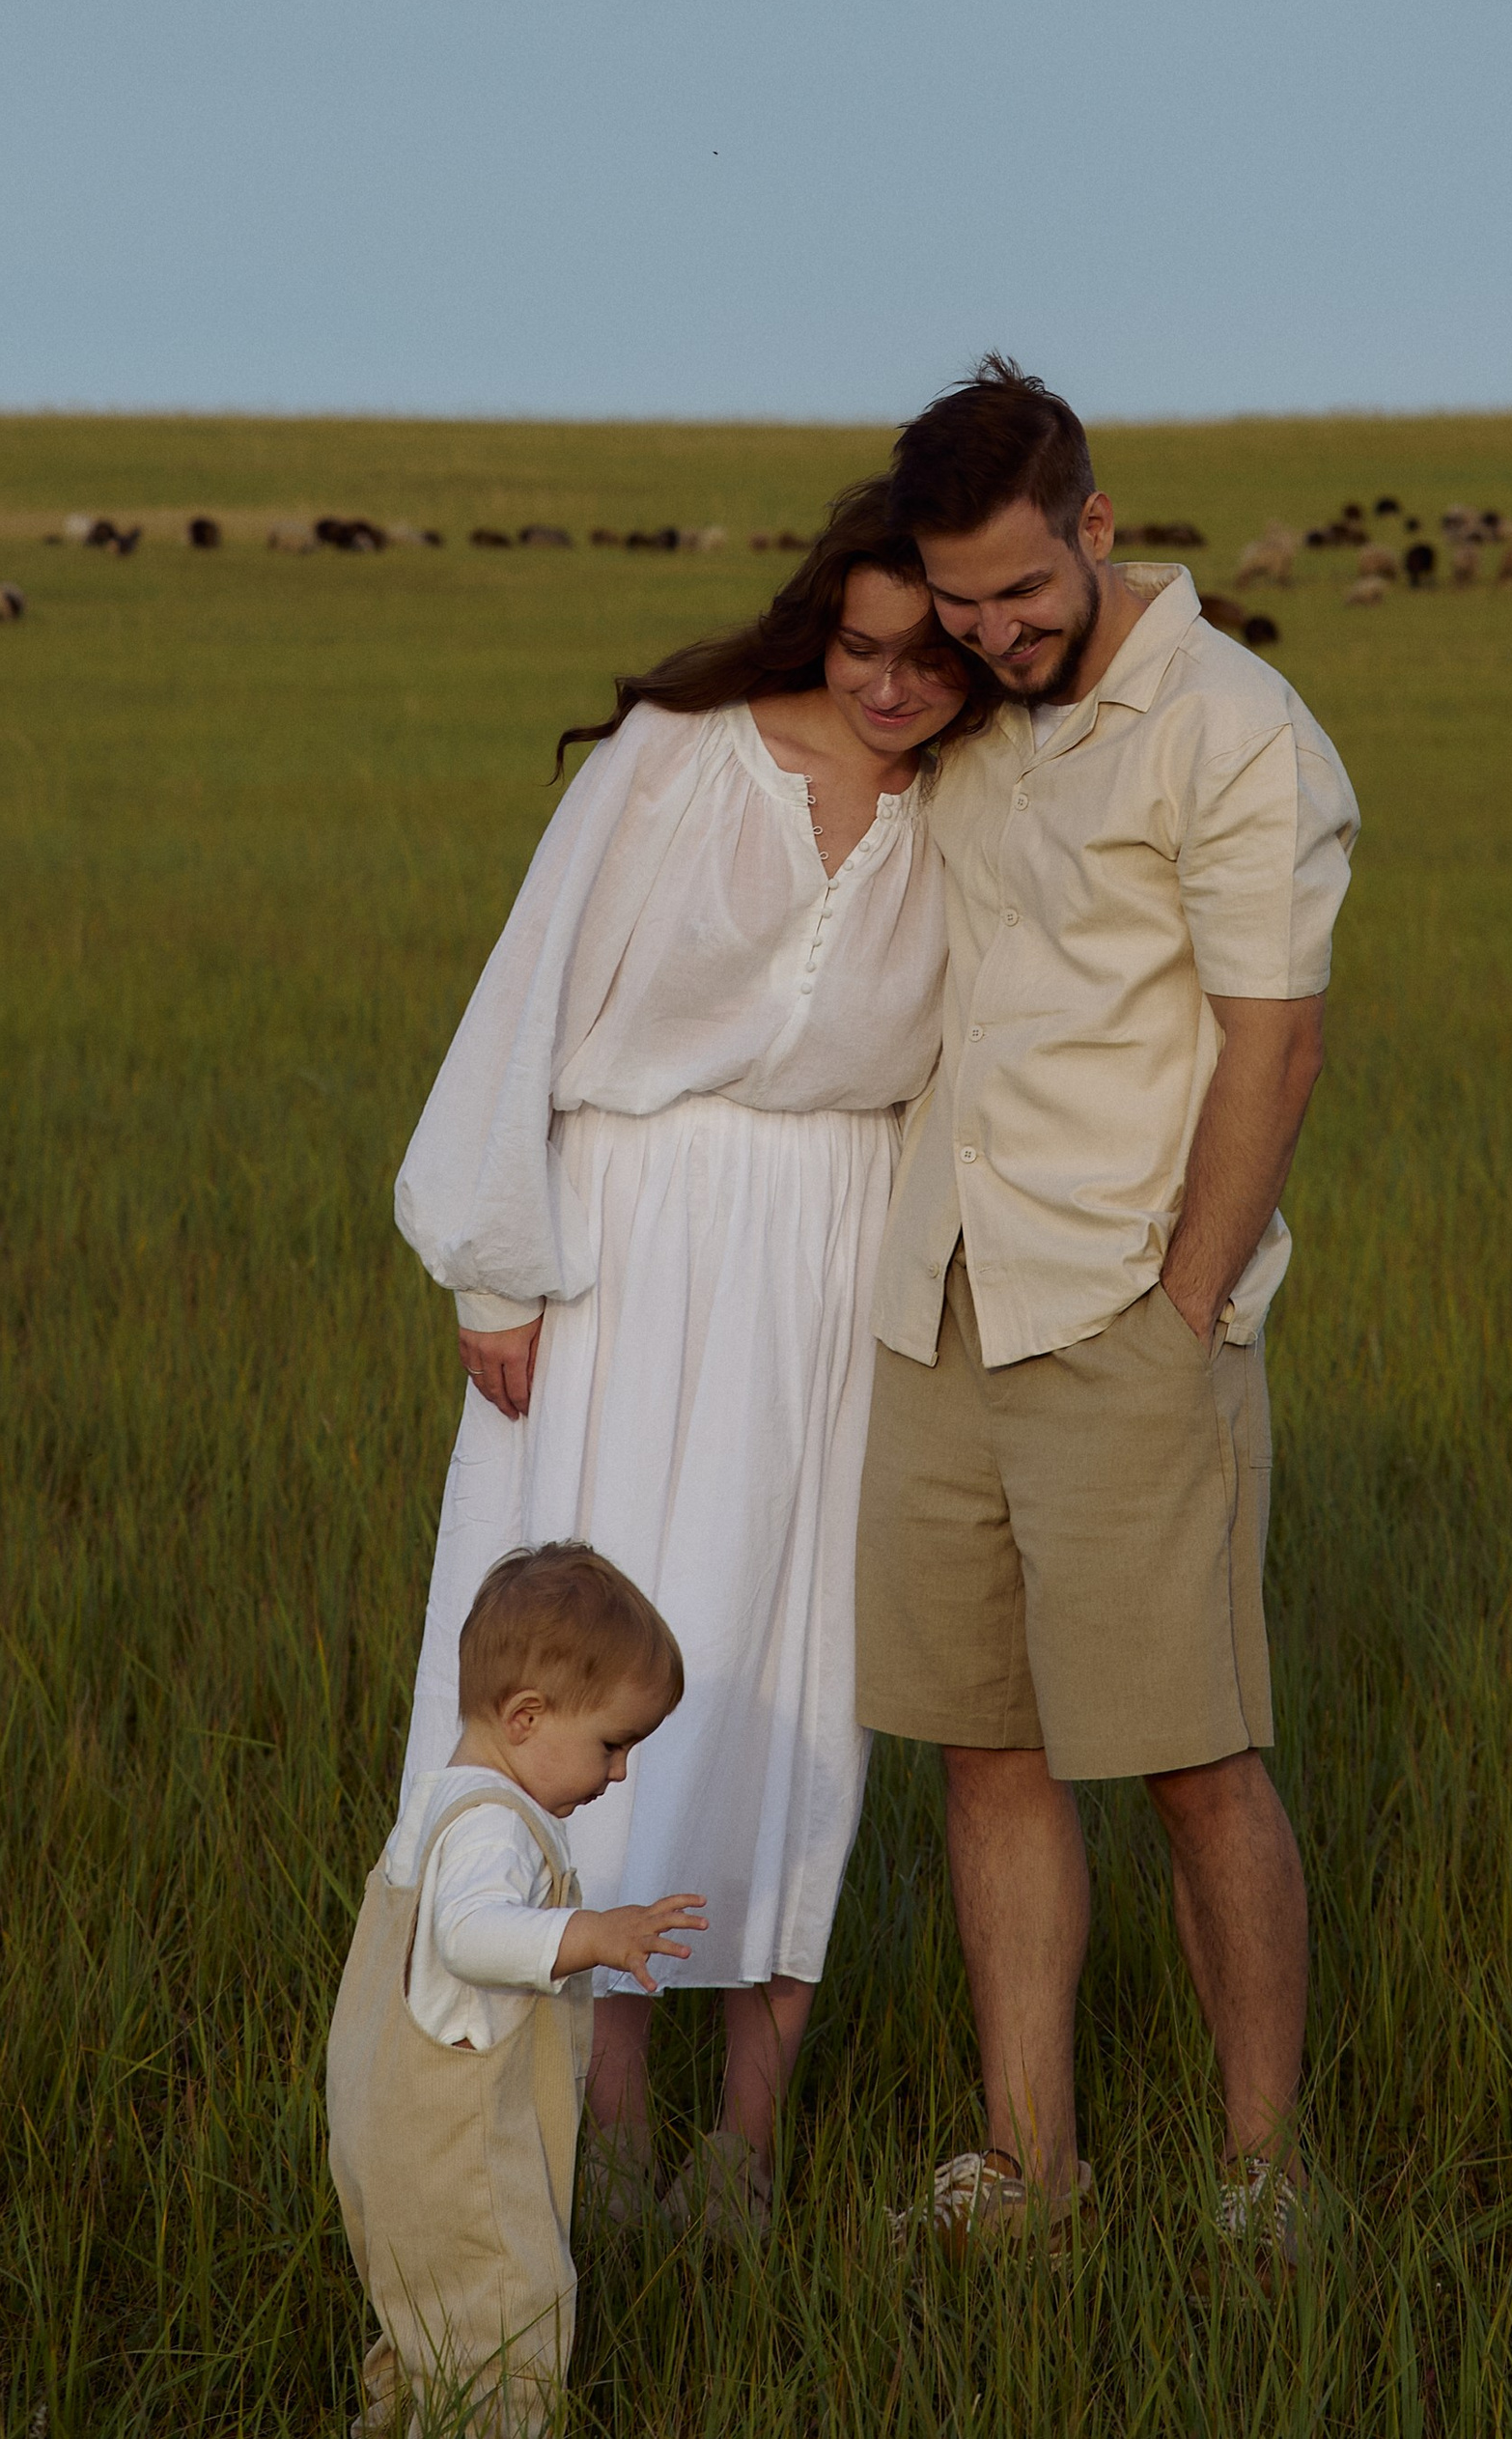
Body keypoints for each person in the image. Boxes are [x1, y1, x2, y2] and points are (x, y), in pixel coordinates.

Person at [390, 481, 991, 2243]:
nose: (889, 688)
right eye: (862, 644)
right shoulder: (675, 749)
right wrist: (495, 1260)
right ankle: (609, 2118)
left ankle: (750, 2139)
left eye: (932, 658)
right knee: (606, 1669)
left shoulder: (978, 803)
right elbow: (532, 982)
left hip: (831, 1261)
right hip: (629, 1245)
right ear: (819, 614)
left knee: (787, 1667)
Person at [854, 358, 1359, 2259]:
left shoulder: (1234, 726)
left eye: (1019, 590)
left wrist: (1182, 1303)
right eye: (955, 598)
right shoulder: (973, 709)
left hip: (1123, 1315)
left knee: (1189, 1752)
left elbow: (1275, 1042)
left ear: (1095, 523)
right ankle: (1027, 2166)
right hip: (938, 1298)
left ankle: (1257, 2180)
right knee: (981, 1746)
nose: (990, 630)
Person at [327, 1543, 701, 2436]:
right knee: (509, 2322)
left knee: (431, 2323)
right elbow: (469, 1934)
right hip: (461, 2157)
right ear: (527, 1716)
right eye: (612, 1745)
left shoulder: (440, 1800)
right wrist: (594, 1935)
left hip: (389, 2138)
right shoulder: (495, 1829)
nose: (618, 1775)